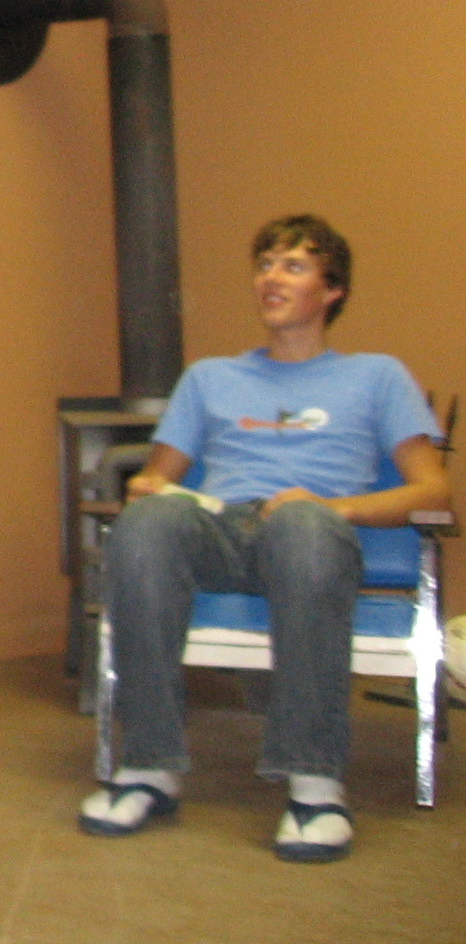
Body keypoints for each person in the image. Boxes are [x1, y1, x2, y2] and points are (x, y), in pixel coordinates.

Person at [79, 214, 449, 862]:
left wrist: (333, 507)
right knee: (144, 524)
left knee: (303, 526)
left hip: (316, 531)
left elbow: (433, 492)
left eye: (293, 266)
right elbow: (153, 481)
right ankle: (148, 768)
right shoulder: (209, 378)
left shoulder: (377, 376)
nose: (271, 278)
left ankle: (315, 788)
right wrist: (149, 490)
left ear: (331, 290)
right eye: (265, 264)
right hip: (221, 527)